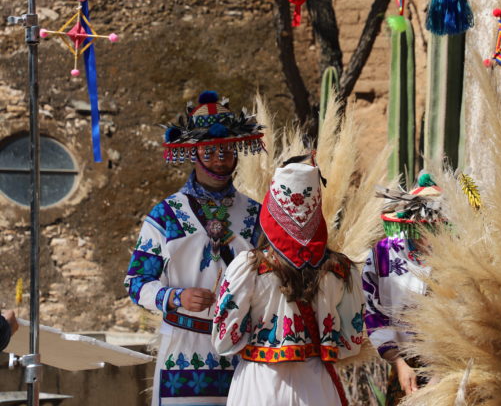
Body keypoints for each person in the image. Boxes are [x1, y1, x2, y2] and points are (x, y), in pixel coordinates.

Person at [124, 91, 266, 406]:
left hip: (243, 351)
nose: (220, 159)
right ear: (193, 152)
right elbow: (135, 283)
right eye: (210, 151)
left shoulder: (256, 214)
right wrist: (176, 297)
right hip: (184, 354)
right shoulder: (166, 214)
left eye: (227, 150)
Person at [212, 158, 365, 406]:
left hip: (259, 385)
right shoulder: (340, 270)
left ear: (271, 209)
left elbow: (224, 340)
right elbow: (351, 343)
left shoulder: (249, 267)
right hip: (317, 388)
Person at [362, 173, 443, 405]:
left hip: (449, 368)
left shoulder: (459, 253)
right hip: (405, 366)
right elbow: (373, 312)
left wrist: (439, 377)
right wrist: (399, 364)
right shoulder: (384, 254)